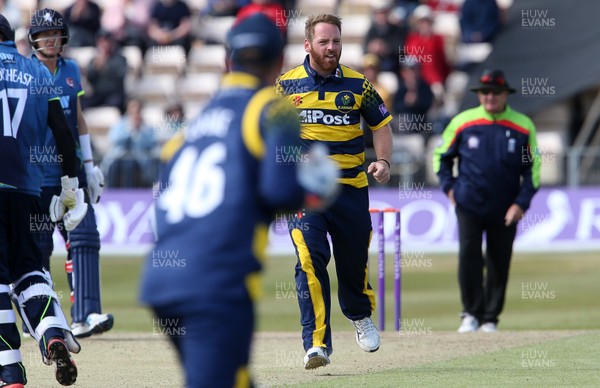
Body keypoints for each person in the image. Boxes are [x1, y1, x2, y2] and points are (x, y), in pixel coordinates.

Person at [139, 13, 339, 387]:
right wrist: (318, 188)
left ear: (227, 60)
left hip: (161, 280)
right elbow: (280, 193)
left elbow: (161, 210)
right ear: (279, 60)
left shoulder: (190, 130)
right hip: (216, 284)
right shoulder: (274, 108)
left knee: (234, 378)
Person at [276, 13, 394, 369]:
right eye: (324, 41)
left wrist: (384, 162)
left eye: (337, 41)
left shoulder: (359, 85)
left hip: (352, 189)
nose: (332, 48)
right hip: (306, 194)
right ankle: (316, 344)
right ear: (308, 45)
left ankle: (359, 315)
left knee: (353, 261)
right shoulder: (285, 85)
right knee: (310, 261)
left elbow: (381, 125)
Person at [0, 13, 87, 386]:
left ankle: (9, 372)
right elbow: (64, 134)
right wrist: (72, 185)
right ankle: (52, 331)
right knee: (30, 272)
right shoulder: (37, 73)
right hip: (30, 193)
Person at [28, 8, 114, 339]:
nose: (51, 39)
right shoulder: (28, 72)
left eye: (55, 33)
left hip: (71, 170)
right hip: (36, 176)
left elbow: (77, 119)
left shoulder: (71, 70)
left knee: (84, 238)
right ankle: (39, 318)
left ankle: (86, 314)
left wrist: (90, 166)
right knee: (36, 248)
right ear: (33, 39)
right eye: (44, 34)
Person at [433, 69, 541, 333]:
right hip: (468, 204)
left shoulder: (523, 125)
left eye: (496, 92)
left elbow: (533, 169)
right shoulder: (462, 121)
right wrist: (450, 189)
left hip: (506, 208)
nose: (490, 97)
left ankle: (491, 318)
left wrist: (521, 204)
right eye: (485, 92)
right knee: (468, 258)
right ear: (479, 95)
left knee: (499, 260)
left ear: (506, 94)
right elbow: (441, 157)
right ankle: (470, 313)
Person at [103, 98, 159, 187]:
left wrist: (140, 131)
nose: (135, 110)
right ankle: (111, 193)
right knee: (114, 166)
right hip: (119, 157)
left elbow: (150, 144)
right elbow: (114, 140)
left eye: (138, 108)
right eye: (133, 107)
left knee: (130, 166)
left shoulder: (147, 127)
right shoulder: (120, 124)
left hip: (138, 159)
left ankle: (129, 195)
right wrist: (130, 130)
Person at [403, 4, 451, 101]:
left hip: (434, 81)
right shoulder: (412, 39)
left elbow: (445, 62)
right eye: (422, 22)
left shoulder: (439, 39)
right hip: (416, 83)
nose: (424, 25)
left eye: (427, 22)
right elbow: (410, 64)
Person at [81, 29, 127, 113]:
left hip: (114, 95)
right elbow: (90, 80)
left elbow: (120, 76)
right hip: (98, 95)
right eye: (101, 42)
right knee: (82, 102)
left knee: (118, 102)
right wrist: (95, 68)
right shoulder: (94, 61)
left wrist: (106, 66)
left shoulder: (120, 59)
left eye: (106, 41)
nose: (103, 45)